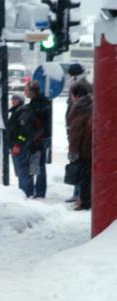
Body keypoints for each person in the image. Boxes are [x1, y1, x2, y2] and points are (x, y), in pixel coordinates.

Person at [65, 63, 93, 202]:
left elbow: (78, 127)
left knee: (80, 168)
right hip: (78, 137)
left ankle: (81, 195)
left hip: (80, 140)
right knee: (81, 168)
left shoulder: (82, 87)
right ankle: (79, 194)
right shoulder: (82, 85)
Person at [24, 80, 52, 198]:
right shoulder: (42, 101)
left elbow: (36, 122)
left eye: (26, 90)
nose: (25, 92)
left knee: (38, 164)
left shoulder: (36, 103)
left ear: (32, 91)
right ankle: (39, 190)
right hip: (41, 137)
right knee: (39, 164)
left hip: (38, 138)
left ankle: (39, 191)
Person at [7, 94, 35, 197]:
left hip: (20, 147)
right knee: (22, 172)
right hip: (17, 146)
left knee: (23, 171)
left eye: (15, 99)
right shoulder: (16, 112)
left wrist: (18, 144)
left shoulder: (22, 113)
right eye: (12, 99)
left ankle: (25, 193)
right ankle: (26, 192)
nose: (13, 101)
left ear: (20, 101)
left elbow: (24, 132)